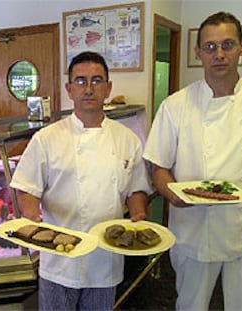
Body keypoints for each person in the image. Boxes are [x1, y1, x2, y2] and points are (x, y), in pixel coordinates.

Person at [143, 11, 242, 311]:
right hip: (193, 231)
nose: (219, 54)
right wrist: (171, 193)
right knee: (190, 305)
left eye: (228, 45)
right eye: (210, 47)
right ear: (198, 52)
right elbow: (158, 168)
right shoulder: (175, 106)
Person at [10, 51, 152, 310]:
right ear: (69, 89)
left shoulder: (127, 139)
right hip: (59, 259)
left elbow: (137, 189)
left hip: (105, 257)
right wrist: (31, 217)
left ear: (108, 88)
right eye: (81, 81)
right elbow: (27, 188)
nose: (89, 88)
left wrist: (138, 216)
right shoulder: (47, 137)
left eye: (97, 81)